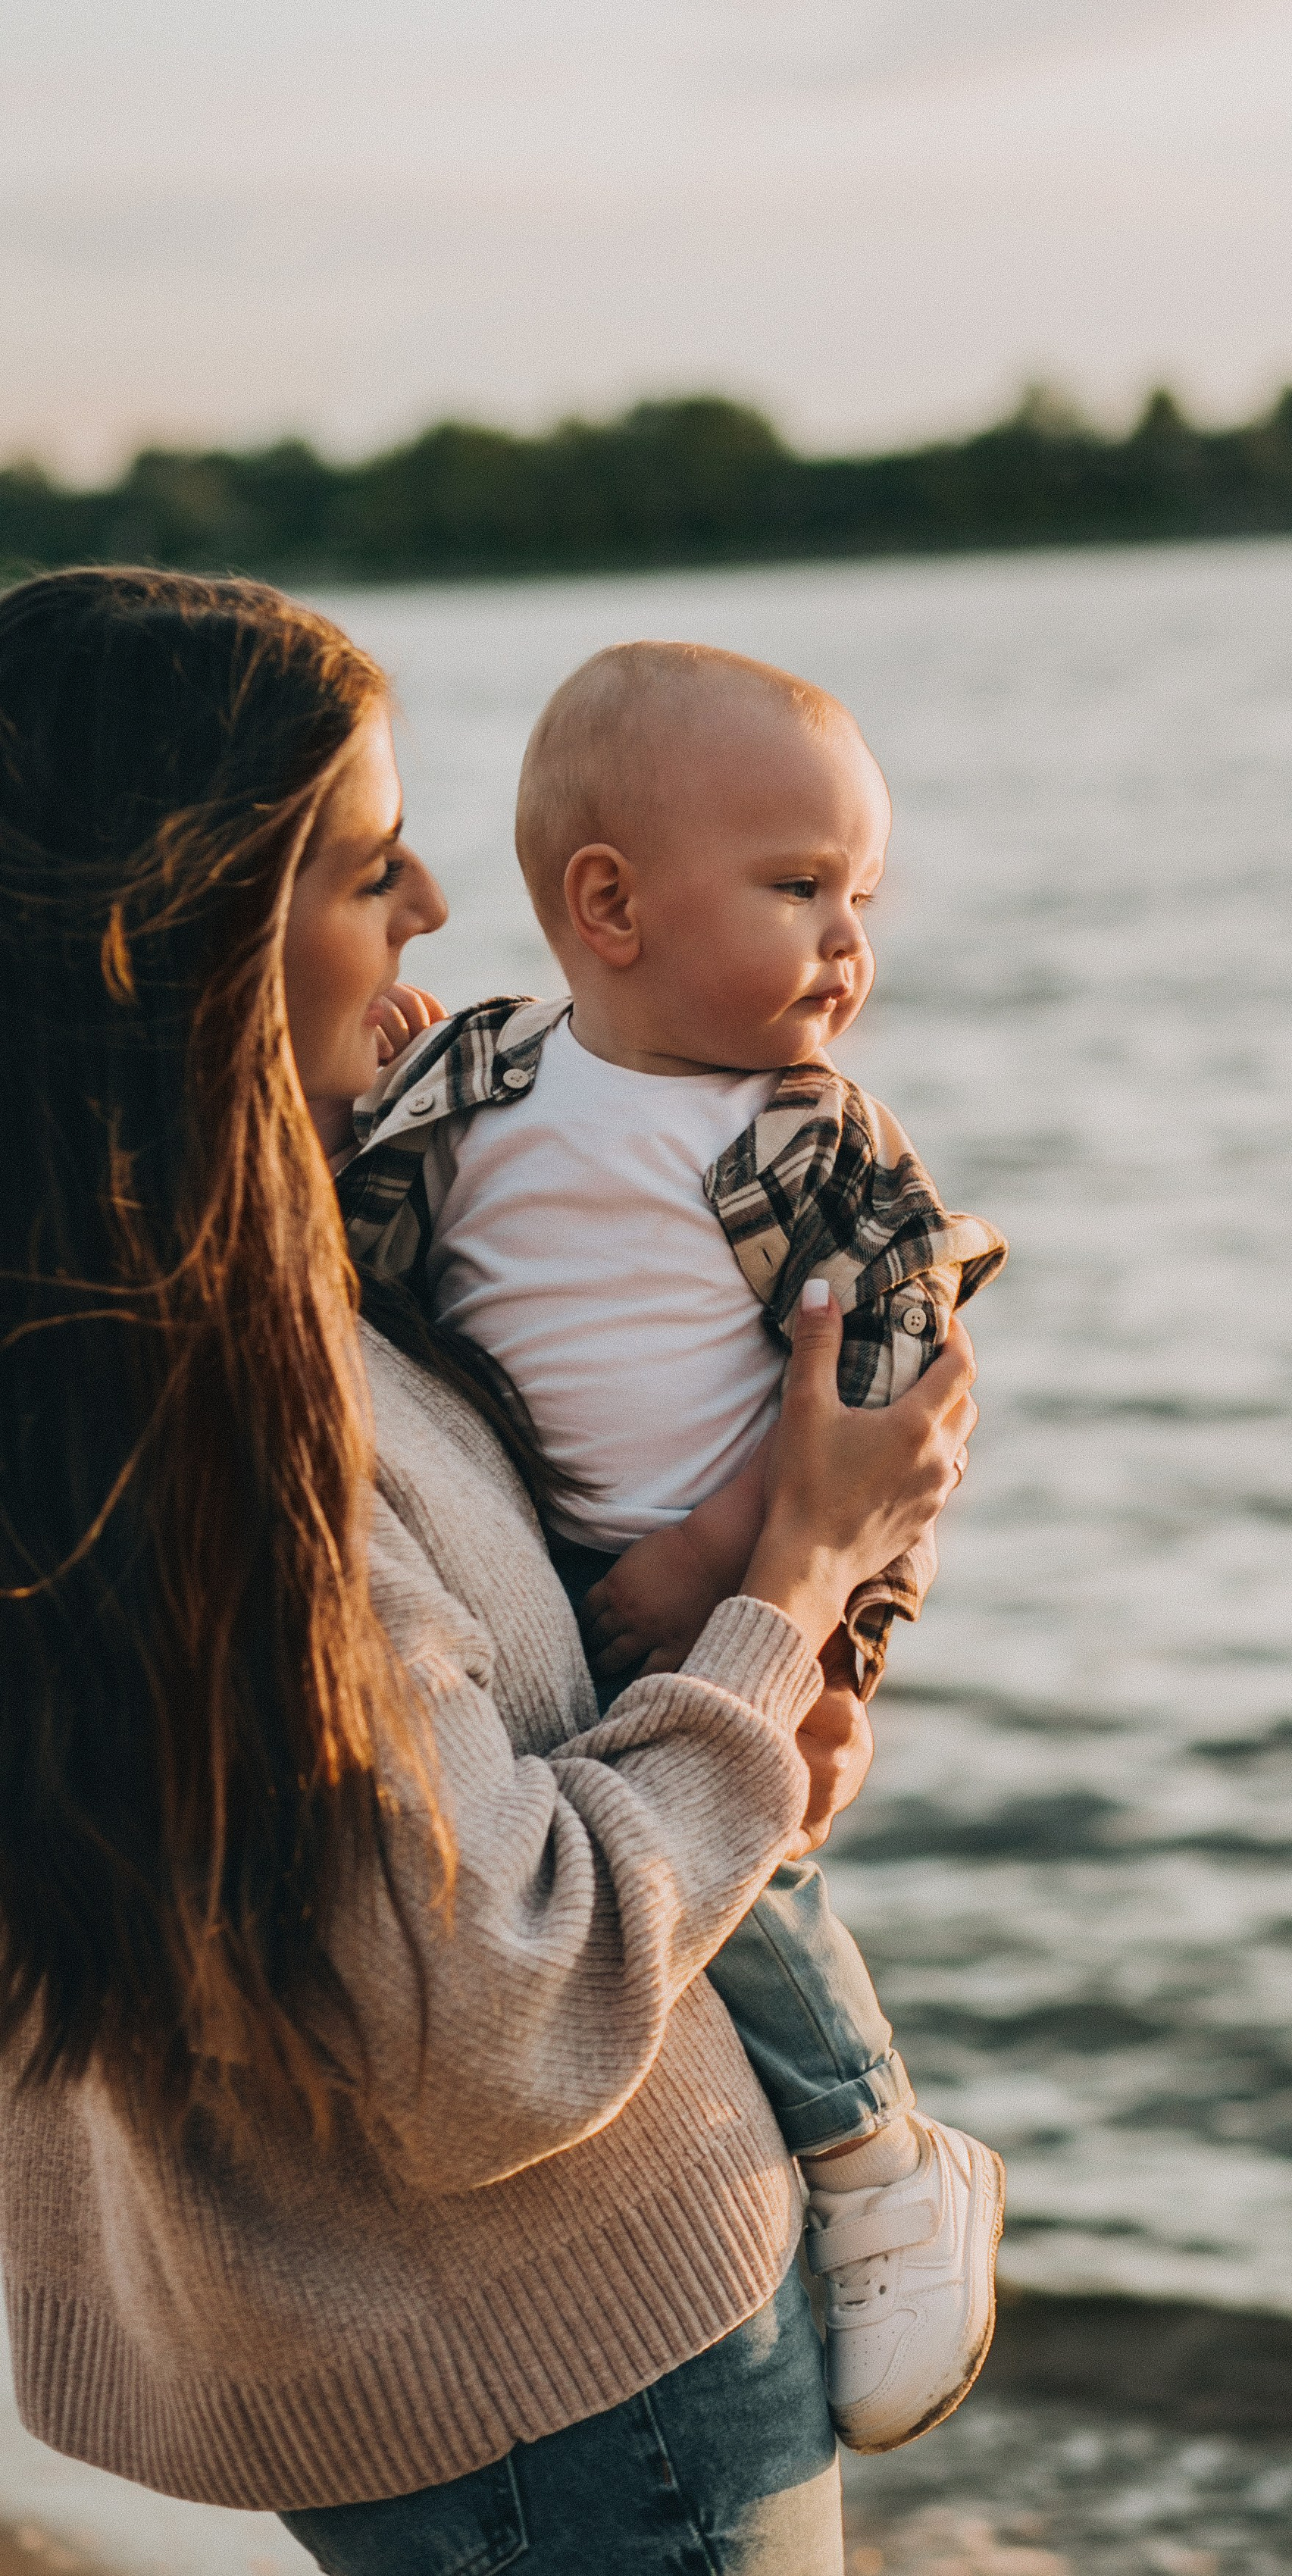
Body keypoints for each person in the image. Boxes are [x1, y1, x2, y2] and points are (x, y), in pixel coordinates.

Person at [0, 568, 978, 2575]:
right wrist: (786, 1596)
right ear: (179, 933)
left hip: (396, 2361)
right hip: (576, 2386)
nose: (440, 910)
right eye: (369, 868)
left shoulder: (132, 1334)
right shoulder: (222, 1438)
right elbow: (492, 2017)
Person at [333, 640, 1006, 2456]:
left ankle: (876, 2153)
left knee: (747, 1870)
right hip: (530, 1580)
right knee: (623, 1878)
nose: (849, 943)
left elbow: (884, 1404)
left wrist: (756, 1589)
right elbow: (351, 1228)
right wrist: (358, 1086)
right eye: (798, 890)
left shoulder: (813, 1146)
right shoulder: (484, 1082)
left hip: (727, 1584)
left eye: (861, 895)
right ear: (607, 907)